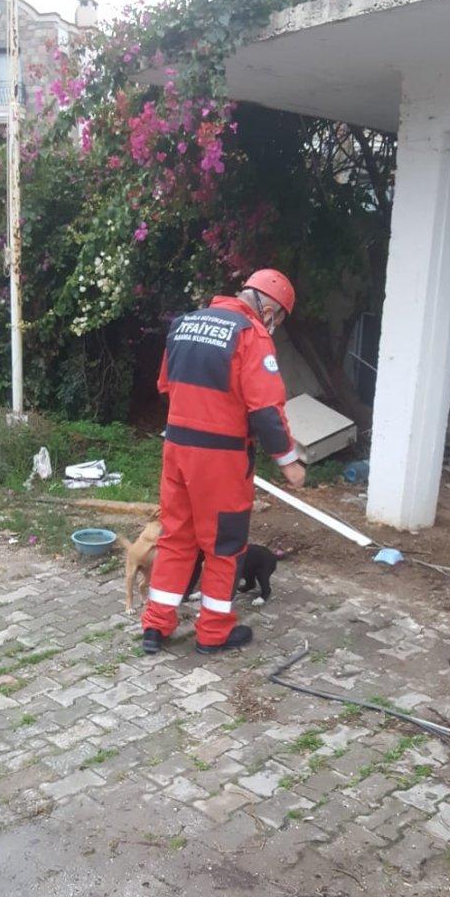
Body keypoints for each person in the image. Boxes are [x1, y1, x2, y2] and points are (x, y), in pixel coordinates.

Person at [141, 268, 305, 655]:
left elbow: (165, 385)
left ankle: (155, 627)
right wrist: (289, 462)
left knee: (176, 539)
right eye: (278, 318)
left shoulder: (184, 325)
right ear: (269, 307)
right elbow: (266, 410)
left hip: (177, 450)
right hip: (221, 460)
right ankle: (213, 632)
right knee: (224, 545)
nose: (275, 325)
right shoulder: (251, 335)